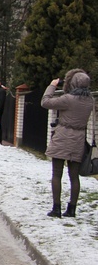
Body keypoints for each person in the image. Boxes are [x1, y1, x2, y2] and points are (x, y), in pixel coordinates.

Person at [41, 69, 93, 218]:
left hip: (63, 137)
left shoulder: (67, 99)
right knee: (74, 176)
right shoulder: (90, 101)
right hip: (78, 139)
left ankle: (56, 208)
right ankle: (72, 209)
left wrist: (52, 86)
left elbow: (45, 102)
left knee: (57, 174)